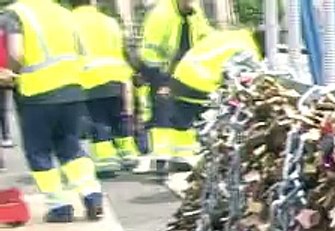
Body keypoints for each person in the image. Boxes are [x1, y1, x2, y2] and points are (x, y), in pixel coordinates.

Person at [0, 0, 104, 222]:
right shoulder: (64, 12)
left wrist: (9, 73)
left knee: (39, 151)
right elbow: (83, 51)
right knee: (71, 147)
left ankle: (60, 206)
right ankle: (92, 195)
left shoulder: (16, 13)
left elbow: (16, 53)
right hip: (73, 88)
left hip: (37, 94)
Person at [166, 28, 261, 165]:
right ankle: (200, 161)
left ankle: (178, 159)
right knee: (214, 119)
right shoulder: (247, 50)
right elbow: (236, 79)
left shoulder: (236, 34)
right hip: (201, 82)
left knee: (183, 123)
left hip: (181, 74)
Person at [138, 0, 210, 171]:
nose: (191, 3)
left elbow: (205, 37)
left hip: (188, 72)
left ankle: (182, 157)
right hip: (163, 72)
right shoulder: (161, 14)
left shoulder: (195, 12)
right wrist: (161, 81)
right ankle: (161, 159)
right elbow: (150, 53)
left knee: (185, 112)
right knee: (163, 113)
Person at [70, 0, 139, 176]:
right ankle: (128, 155)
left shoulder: (69, 22)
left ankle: (106, 161)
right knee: (119, 116)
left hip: (89, 78)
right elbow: (121, 48)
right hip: (117, 75)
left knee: (98, 119)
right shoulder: (109, 21)